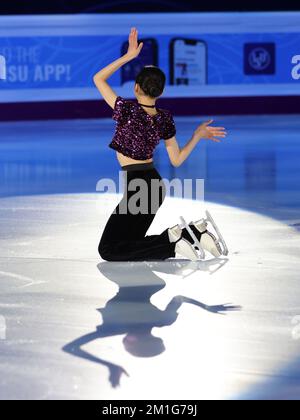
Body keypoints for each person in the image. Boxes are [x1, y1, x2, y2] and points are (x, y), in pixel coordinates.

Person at [93, 28, 227, 262]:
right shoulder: (164, 118)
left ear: (136, 87)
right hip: (154, 185)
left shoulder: (126, 110)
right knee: (128, 244)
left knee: (109, 249)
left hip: (138, 185)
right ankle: (194, 233)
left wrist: (128, 57)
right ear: (161, 92)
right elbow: (176, 160)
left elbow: (98, 78)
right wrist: (195, 136)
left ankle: (172, 243)